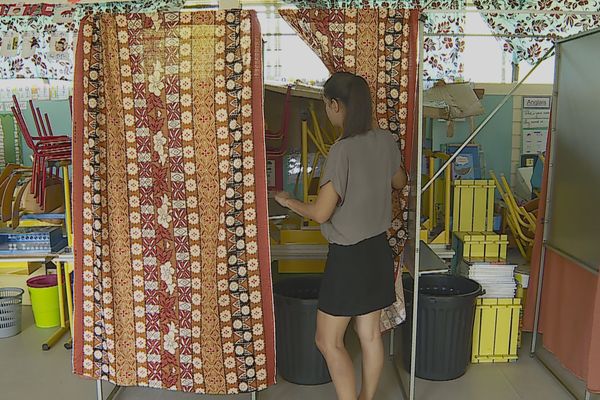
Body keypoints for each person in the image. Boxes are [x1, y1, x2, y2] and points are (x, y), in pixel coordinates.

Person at [275, 72, 408, 400]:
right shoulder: (386, 140)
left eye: (326, 106)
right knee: (370, 335)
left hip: (348, 257)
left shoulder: (341, 150)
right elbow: (400, 182)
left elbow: (321, 212)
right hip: (379, 250)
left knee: (327, 340)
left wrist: (289, 201)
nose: (327, 112)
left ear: (335, 105)